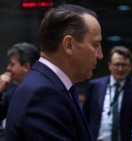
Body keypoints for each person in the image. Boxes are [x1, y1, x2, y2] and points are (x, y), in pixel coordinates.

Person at [6, 4, 103, 141]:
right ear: (69, 45)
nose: (100, 55)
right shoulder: (43, 94)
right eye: (95, 45)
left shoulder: (46, 85)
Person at [83, 46, 132, 141]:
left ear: (130, 67)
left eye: (124, 65)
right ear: (109, 65)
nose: (120, 69)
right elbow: (85, 116)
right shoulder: (95, 86)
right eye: (117, 64)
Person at [0, 42, 40, 124]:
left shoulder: (42, 91)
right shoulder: (13, 91)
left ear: (26, 66)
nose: (8, 68)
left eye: (12, 64)